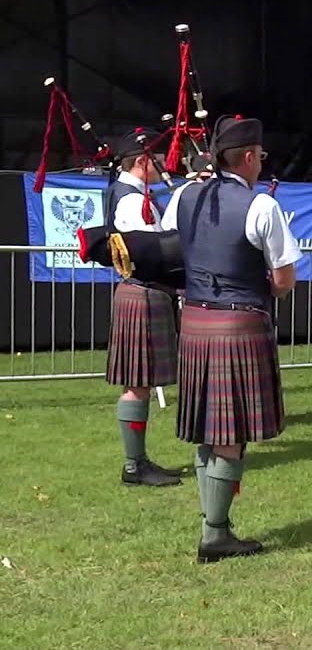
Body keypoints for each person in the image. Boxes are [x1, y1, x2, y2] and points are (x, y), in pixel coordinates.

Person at [166, 114, 302, 562]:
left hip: (194, 322)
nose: (262, 163)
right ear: (246, 156)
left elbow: (170, 247)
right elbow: (284, 280)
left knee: (210, 428)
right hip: (237, 324)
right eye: (260, 156)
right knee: (228, 432)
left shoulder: (185, 195)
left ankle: (213, 525)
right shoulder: (261, 206)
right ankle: (215, 534)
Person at [103, 128, 184, 487]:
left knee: (142, 382)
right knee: (137, 383)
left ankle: (139, 461)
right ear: (141, 161)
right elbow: (155, 249)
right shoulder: (133, 201)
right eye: (157, 158)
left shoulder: (129, 194)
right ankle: (135, 465)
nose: (164, 164)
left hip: (142, 293)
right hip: (143, 292)